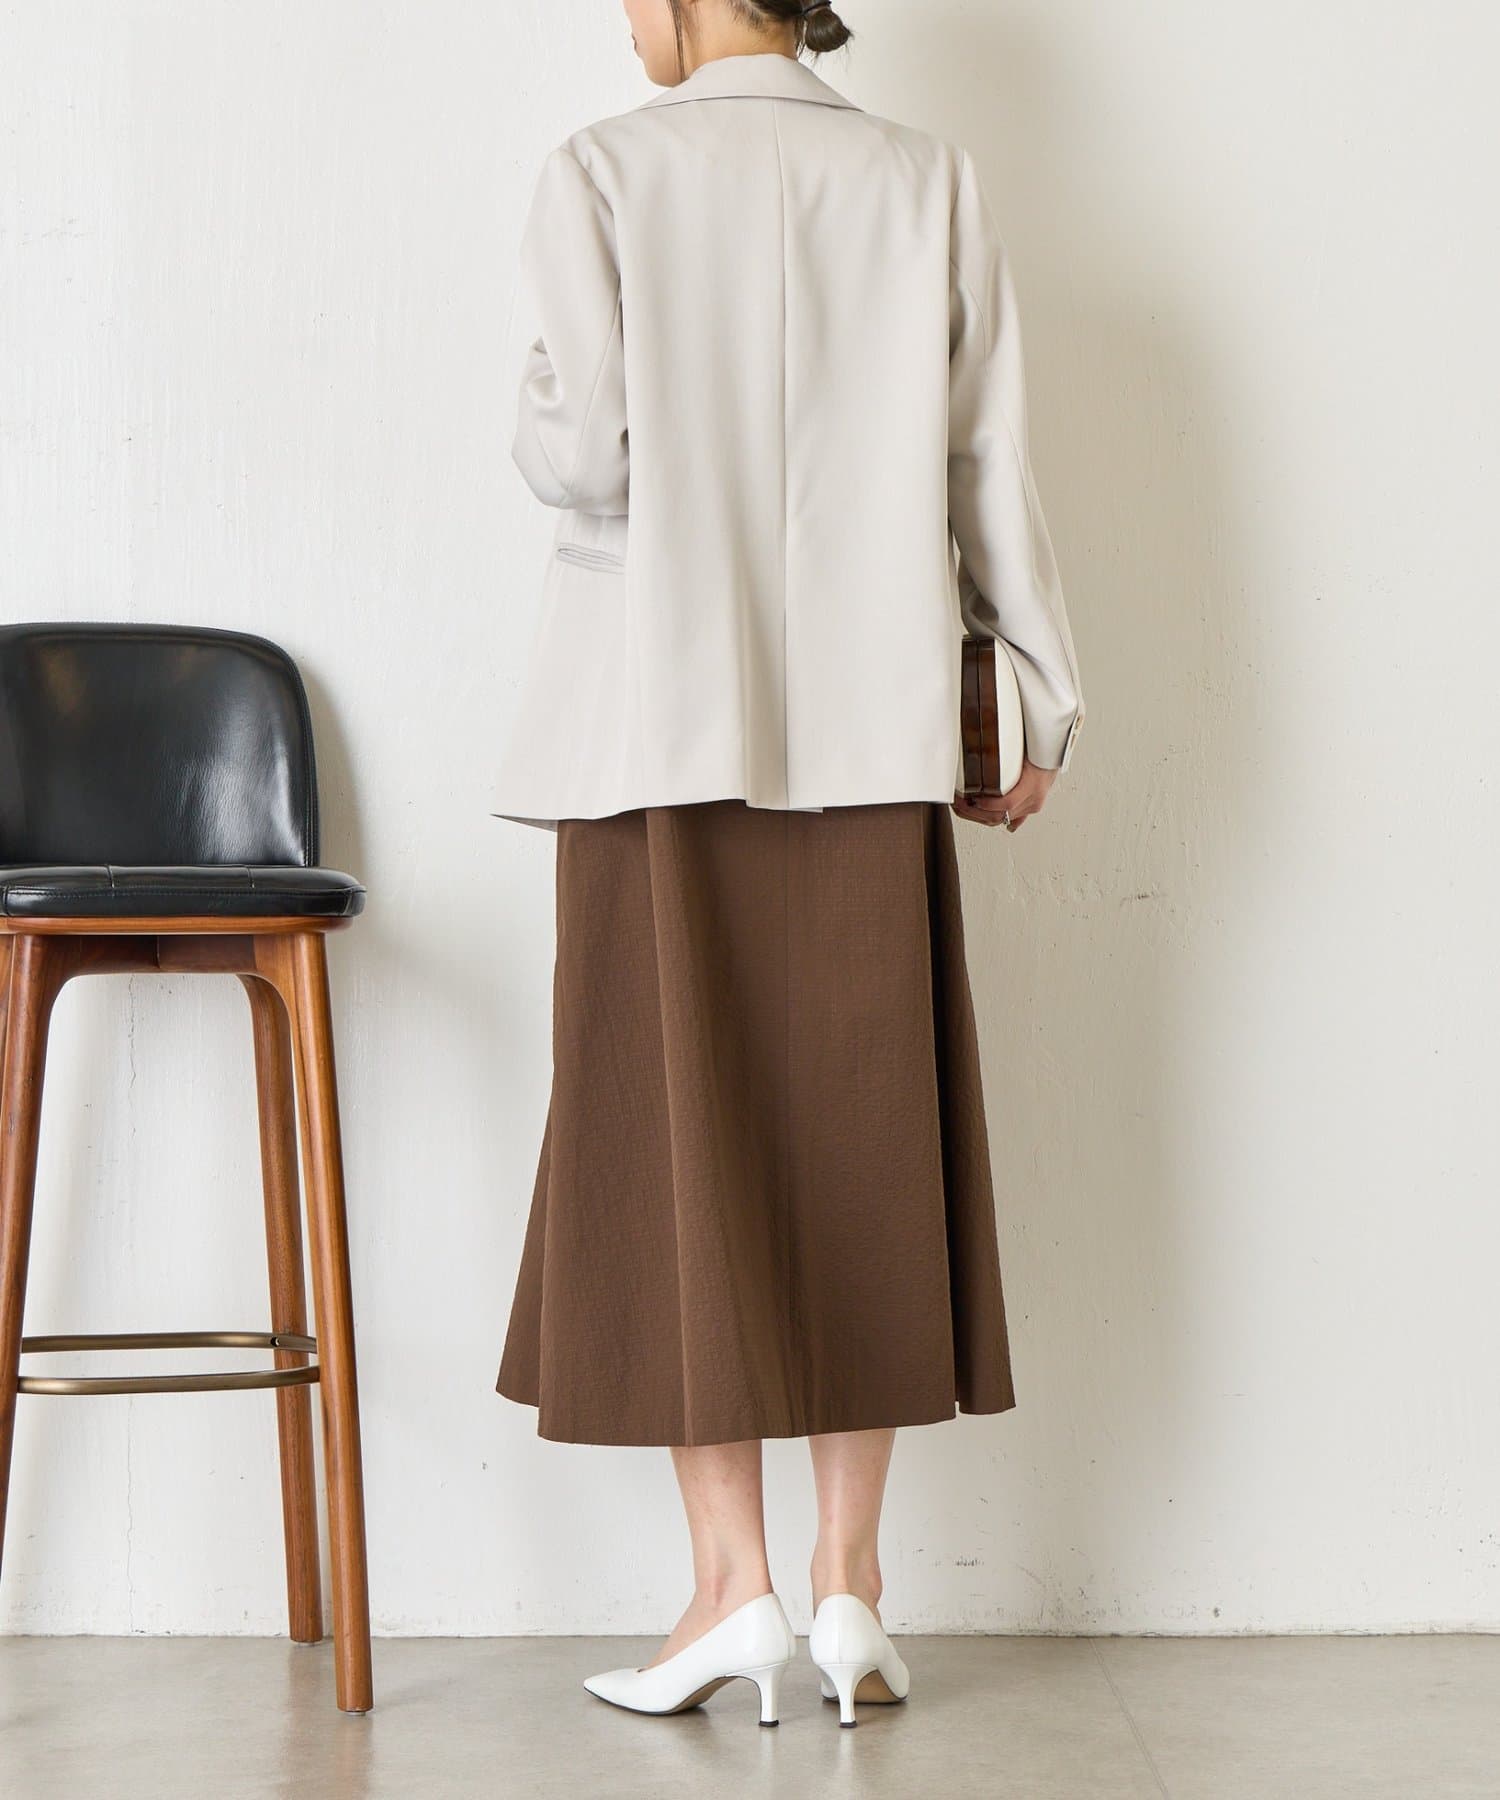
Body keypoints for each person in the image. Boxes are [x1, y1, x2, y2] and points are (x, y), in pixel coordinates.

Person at [491, 0, 1084, 1730]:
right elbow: (990, 463)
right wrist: (1042, 704)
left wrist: (540, 399)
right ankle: (849, 1589)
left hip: (657, 733)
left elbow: (582, 454)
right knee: (864, 1139)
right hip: (870, 733)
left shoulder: (603, 173)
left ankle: (725, 1588)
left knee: (673, 1144)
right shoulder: (924, 180)